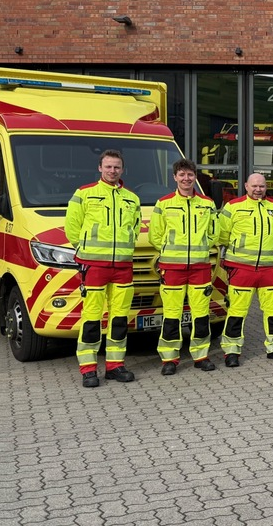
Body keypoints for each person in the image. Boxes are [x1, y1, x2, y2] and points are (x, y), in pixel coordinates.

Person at [64, 149, 141, 388]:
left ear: (122, 169)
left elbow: (135, 230)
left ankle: (115, 366)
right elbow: (72, 228)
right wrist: (86, 250)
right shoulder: (84, 194)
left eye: (116, 167)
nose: (112, 171)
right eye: (108, 167)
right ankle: (88, 370)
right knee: (92, 319)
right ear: (100, 168)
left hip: (122, 267)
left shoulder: (132, 198)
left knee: (119, 319)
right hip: (95, 266)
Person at [148, 158, 219, 376]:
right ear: (175, 177)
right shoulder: (164, 203)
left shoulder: (207, 203)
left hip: (200, 267)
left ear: (195, 177)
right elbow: (154, 235)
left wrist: (201, 247)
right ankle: (169, 359)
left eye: (190, 175)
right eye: (182, 175)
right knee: (172, 315)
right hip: (172, 268)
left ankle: (201, 356)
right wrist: (171, 250)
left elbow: (214, 232)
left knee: (200, 315)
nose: (186, 178)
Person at [216, 172, 273, 366]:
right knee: (237, 313)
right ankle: (232, 351)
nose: (258, 190)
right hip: (241, 270)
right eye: (254, 186)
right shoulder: (232, 207)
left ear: (266, 187)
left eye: (262, 186)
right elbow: (221, 235)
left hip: (269, 270)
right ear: (246, 186)